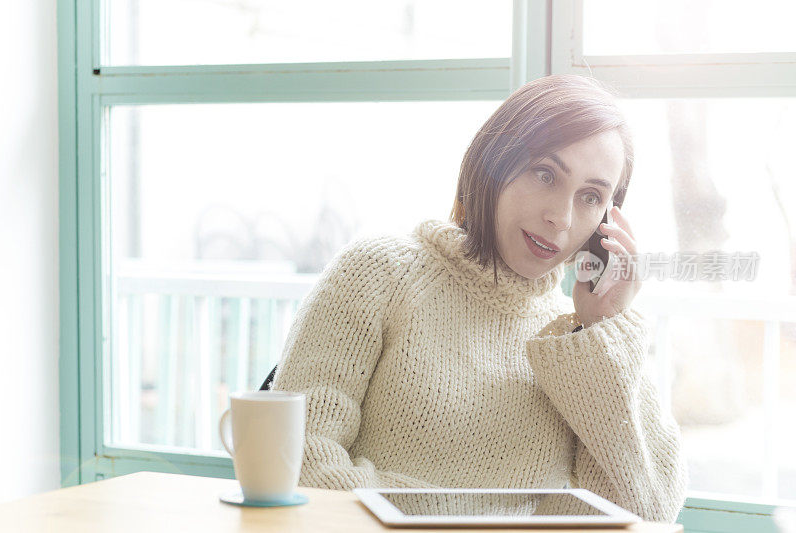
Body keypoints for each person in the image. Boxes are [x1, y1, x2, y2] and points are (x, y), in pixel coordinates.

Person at [270, 73, 688, 524]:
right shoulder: (381, 272)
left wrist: (603, 327)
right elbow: (297, 456)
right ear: (494, 162)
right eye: (545, 174)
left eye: (590, 197)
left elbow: (649, 508)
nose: (560, 217)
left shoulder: (577, 349)